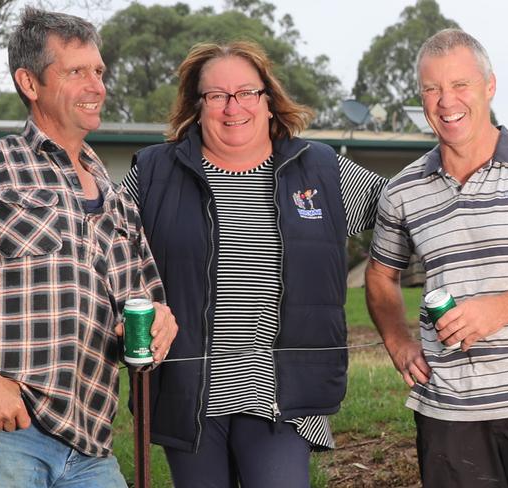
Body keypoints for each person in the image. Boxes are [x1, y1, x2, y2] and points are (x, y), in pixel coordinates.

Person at [121, 40, 387, 487]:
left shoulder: (320, 168)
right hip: (189, 394)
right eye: (217, 96)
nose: (233, 107)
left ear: (268, 100)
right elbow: (103, 248)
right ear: (197, 105)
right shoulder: (153, 173)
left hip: (282, 395)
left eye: (246, 92)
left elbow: (405, 210)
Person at [0, 7, 177, 488]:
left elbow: (144, 302)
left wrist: (160, 320)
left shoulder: (116, 199)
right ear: (30, 82)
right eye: (76, 71)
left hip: (90, 443)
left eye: (99, 72)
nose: (97, 86)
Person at [366, 28, 508, 488]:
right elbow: (380, 276)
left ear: (489, 86)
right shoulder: (403, 190)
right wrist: (398, 343)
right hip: (448, 411)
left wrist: (499, 309)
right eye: (432, 89)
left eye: (460, 84)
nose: (447, 101)